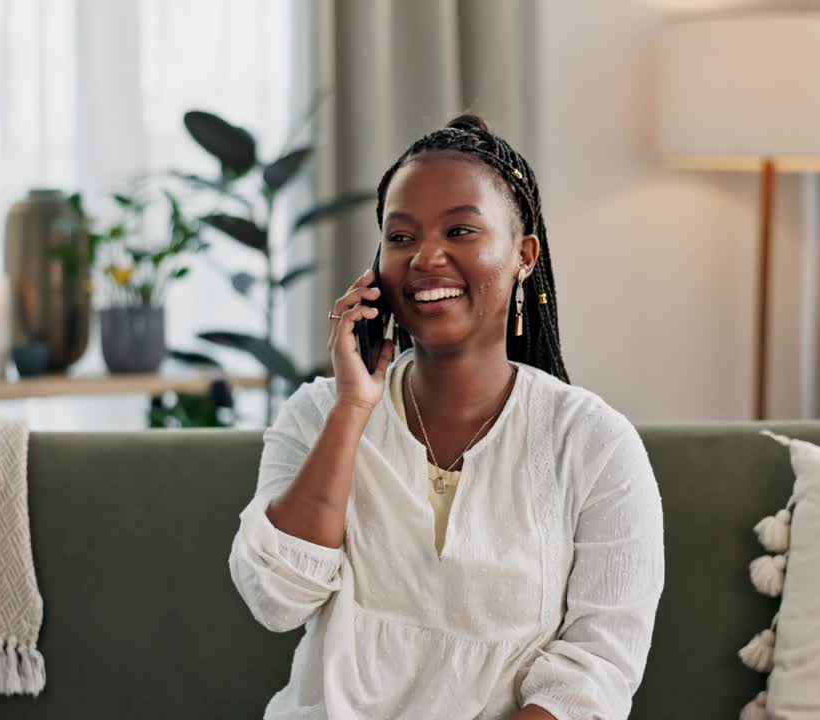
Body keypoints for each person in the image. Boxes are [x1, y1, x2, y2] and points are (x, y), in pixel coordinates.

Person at [229, 114, 664, 720]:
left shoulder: (596, 445)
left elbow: (595, 675)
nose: (426, 258)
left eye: (459, 230)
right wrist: (353, 408)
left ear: (524, 255)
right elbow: (276, 599)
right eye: (401, 237)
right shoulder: (318, 415)